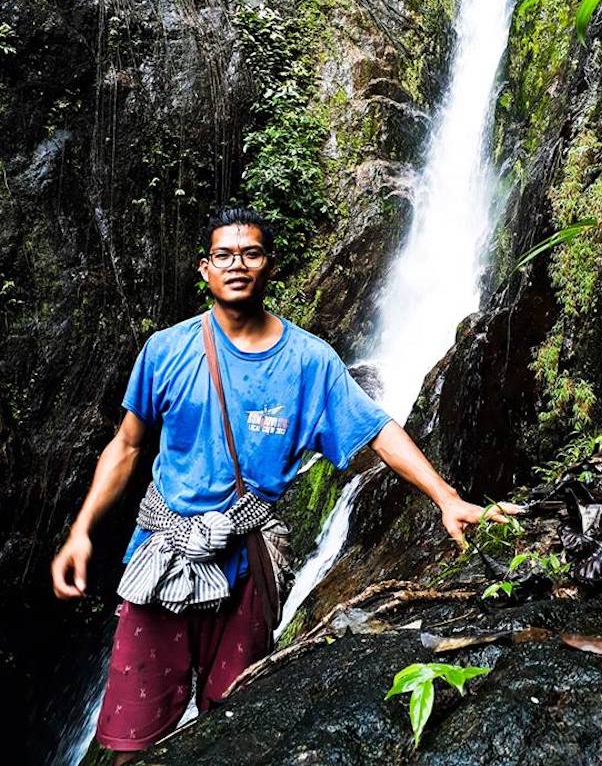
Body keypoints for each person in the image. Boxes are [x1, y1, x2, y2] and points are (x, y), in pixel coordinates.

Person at [51, 205, 519, 763]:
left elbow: (376, 430)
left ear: (268, 265)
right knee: (132, 739)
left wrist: (447, 498)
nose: (237, 264)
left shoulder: (309, 362)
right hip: (161, 558)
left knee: (238, 731)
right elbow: (126, 446)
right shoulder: (166, 350)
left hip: (246, 568)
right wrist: (82, 531)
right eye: (224, 255)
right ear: (205, 269)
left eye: (250, 253)